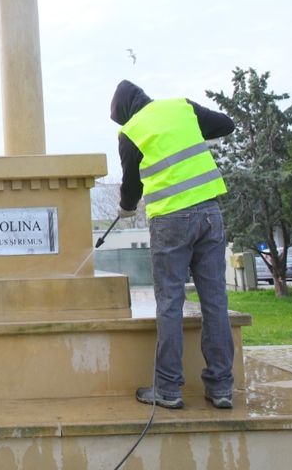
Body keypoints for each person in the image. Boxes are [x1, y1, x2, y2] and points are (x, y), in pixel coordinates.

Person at [110, 79, 235, 410]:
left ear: (124, 113)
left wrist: (125, 208)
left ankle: (168, 388)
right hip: (210, 213)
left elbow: (131, 183)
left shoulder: (131, 132)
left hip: (170, 222)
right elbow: (226, 124)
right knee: (215, 301)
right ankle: (221, 388)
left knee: (169, 303)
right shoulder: (182, 107)